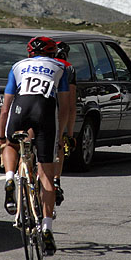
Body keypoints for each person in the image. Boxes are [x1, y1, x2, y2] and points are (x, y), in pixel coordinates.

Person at [0, 36, 70, 255]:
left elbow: (5, 107)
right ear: (52, 52)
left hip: (21, 107)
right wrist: (61, 134)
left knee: (11, 142)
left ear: (29, 53)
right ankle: (46, 227)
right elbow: (64, 106)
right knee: (46, 175)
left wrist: (1, 136)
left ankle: (10, 178)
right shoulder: (60, 67)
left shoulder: (18, 66)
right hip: (45, 110)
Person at [53, 41, 77, 206]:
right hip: (56, 109)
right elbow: (70, 106)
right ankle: (56, 180)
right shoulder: (68, 68)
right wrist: (69, 134)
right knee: (58, 143)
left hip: (29, 108)